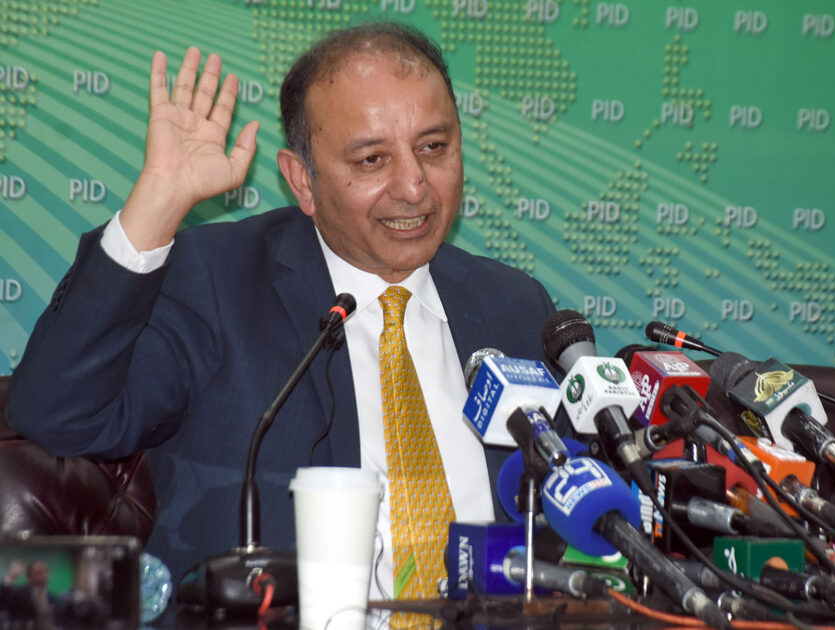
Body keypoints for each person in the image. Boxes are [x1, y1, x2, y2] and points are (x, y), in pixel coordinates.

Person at [6, 22, 555, 603]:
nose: (415, 185)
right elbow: (59, 415)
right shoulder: (219, 281)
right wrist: (158, 201)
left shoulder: (515, 306)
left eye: (434, 147)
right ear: (302, 182)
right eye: (372, 159)